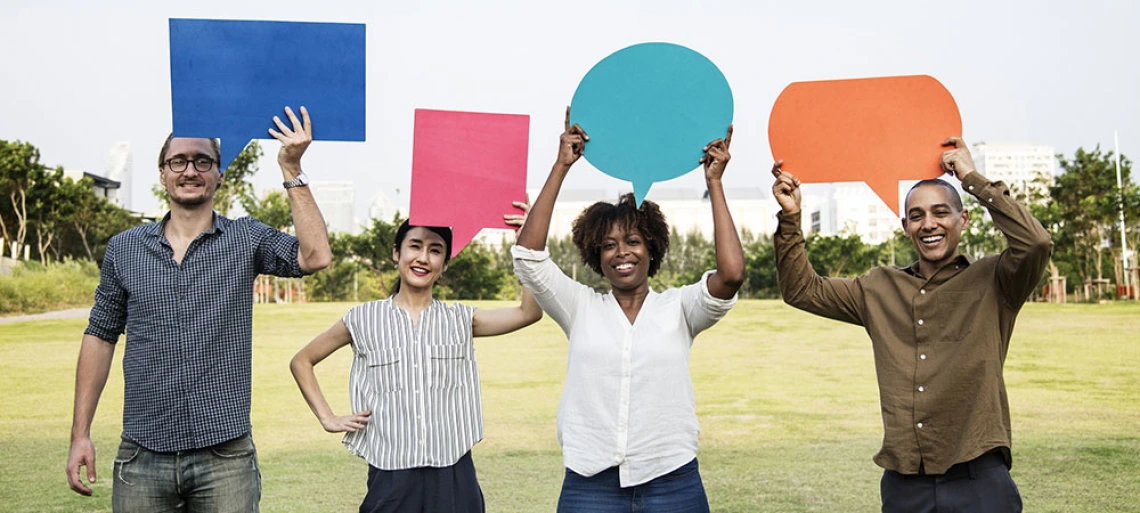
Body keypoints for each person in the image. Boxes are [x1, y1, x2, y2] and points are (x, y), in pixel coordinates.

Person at [65, 106, 332, 512]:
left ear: (219, 174)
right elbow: (100, 337)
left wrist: (291, 166)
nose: (190, 170)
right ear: (162, 173)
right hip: (142, 455)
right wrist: (80, 434)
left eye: (202, 161)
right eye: (178, 161)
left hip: (225, 458)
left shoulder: (246, 238)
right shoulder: (124, 249)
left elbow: (315, 257)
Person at [771, 137, 1053, 513]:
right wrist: (790, 217)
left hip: (979, 478)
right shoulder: (877, 288)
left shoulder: (997, 280)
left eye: (941, 212)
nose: (929, 224)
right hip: (905, 485)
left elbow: (1035, 243)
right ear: (905, 226)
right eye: (917, 216)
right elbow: (801, 290)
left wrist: (970, 178)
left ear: (962, 220)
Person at [511, 108, 745, 512]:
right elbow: (529, 258)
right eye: (608, 245)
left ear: (651, 248)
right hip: (590, 485)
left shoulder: (680, 308)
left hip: (672, 480)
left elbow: (732, 274)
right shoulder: (580, 306)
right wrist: (561, 165)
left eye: (633, 241)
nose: (622, 253)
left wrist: (714, 183)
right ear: (595, 256)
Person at [289, 209, 543, 513]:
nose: (423, 257)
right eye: (415, 246)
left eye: (435, 250)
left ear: (445, 264)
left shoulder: (461, 319)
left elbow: (529, 312)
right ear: (397, 253)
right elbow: (302, 361)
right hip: (391, 477)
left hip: (454, 474)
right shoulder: (363, 319)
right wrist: (328, 418)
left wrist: (527, 244)